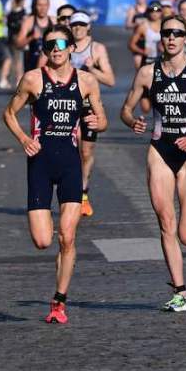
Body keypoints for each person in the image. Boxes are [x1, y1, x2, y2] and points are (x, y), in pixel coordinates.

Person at [119, 14, 186, 312]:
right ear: (160, 38)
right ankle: (180, 291)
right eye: (167, 33)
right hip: (160, 150)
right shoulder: (147, 73)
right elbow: (125, 109)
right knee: (166, 222)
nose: (172, 38)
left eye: (178, 33)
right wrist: (132, 122)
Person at [2, 25, 106, 324]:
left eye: (61, 43)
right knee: (43, 241)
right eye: (49, 45)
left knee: (68, 237)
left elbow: (103, 121)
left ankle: (59, 301)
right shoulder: (33, 80)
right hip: (41, 162)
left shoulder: (86, 82)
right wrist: (24, 139)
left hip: (70, 163)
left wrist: (95, 122)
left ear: (71, 47)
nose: (55, 49)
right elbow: (9, 113)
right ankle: (58, 294)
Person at [67, 12, 114, 218]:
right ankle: (70, 193)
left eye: (81, 25)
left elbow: (110, 80)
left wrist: (92, 68)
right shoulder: (64, 47)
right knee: (72, 146)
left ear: (88, 27)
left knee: (86, 152)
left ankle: (83, 193)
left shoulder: (97, 49)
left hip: (89, 106)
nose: (78, 28)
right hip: (67, 105)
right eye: (74, 25)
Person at [18, 0, 52, 73]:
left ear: (48, 6)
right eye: (39, 5)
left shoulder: (53, 21)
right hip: (33, 65)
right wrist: (31, 37)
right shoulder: (29, 22)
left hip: (51, 66)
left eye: (45, 5)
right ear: (35, 6)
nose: (42, 8)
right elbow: (19, 44)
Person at [125, 0, 149, 68]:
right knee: (139, 67)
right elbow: (127, 25)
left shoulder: (150, 9)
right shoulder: (132, 9)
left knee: (151, 67)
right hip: (137, 40)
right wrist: (136, 24)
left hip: (149, 40)